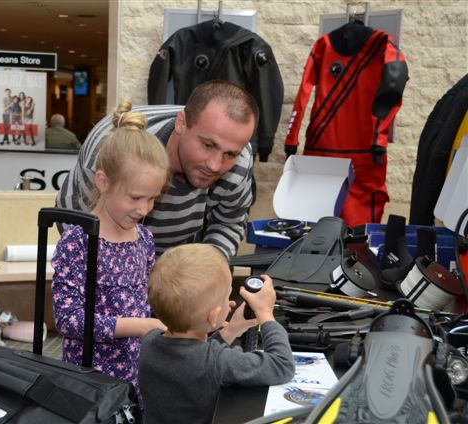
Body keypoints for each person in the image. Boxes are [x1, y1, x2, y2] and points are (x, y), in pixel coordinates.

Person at [56, 80, 257, 258]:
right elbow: (79, 223)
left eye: (230, 154)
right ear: (181, 123)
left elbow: (229, 222)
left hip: (176, 257)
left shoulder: (240, 157)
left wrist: (207, 268)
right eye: (207, 145)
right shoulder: (111, 145)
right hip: (98, 245)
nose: (215, 165)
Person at [52, 101, 169, 403]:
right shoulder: (78, 241)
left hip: (139, 378)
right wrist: (138, 326)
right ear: (102, 181)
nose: (144, 209)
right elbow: (68, 319)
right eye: (135, 198)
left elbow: (151, 302)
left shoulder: (144, 238)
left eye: (153, 199)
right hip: (90, 385)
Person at [138, 244, 295, 423]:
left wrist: (231, 330)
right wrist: (266, 314)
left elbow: (192, 354)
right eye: (227, 297)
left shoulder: (149, 342)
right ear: (213, 317)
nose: (231, 304)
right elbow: (282, 365)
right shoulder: (217, 362)